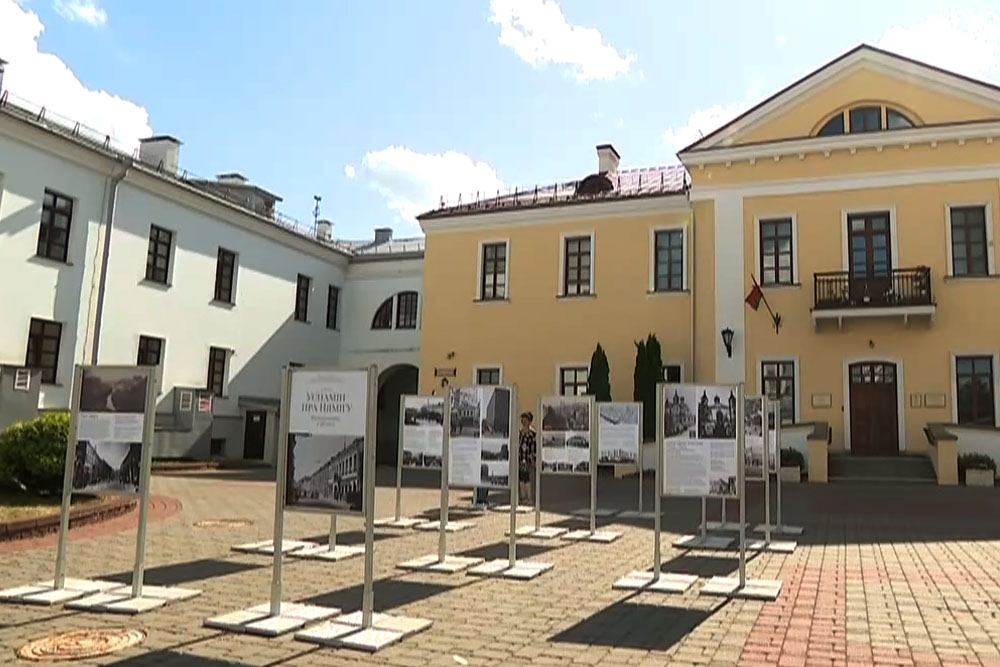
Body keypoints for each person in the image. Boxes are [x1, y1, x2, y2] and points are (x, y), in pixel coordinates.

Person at [518, 411, 536, 504]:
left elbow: (534, 447)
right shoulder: (519, 433)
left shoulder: (532, 434)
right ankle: (523, 497)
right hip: (520, 458)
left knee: (527, 478)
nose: (523, 422)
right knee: (521, 478)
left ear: (529, 421)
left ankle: (529, 498)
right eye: (522, 420)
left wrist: (534, 459)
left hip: (528, 459)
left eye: (525, 420)